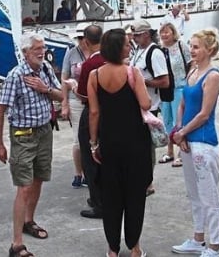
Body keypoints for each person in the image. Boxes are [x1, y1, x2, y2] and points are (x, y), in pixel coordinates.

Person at [0, 33, 68, 257]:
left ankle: (29, 221)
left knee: (38, 180)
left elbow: (60, 96)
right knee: (24, 187)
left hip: (44, 131)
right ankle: (17, 244)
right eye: (36, 48)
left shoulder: (45, 70)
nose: (41, 51)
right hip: (23, 135)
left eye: (43, 47)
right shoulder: (15, 76)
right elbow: (0, 109)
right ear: (25, 52)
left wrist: (43, 88)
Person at [88, 28, 152, 257]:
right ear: (118, 48)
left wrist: (93, 143)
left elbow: (94, 113)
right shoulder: (132, 72)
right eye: (126, 44)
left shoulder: (94, 75)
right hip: (135, 141)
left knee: (111, 196)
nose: (130, 46)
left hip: (109, 140)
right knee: (135, 195)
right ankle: (134, 246)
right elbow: (145, 104)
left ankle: (112, 249)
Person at [171, 29, 219, 257]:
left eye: (196, 47)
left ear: (209, 49)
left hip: (203, 140)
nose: (192, 50)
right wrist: (179, 130)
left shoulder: (212, 75)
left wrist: (182, 132)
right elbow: (182, 104)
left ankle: (215, 246)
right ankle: (198, 238)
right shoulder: (193, 70)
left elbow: (204, 114)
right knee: (194, 194)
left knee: (209, 195)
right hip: (188, 139)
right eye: (191, 46)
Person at [129, 19, 170, 195]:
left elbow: (164, 81)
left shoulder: (154, 53)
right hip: (137, 105)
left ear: (146, 34)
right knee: (138, 146)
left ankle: (148, 182)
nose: (135, 38)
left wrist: (141, 82)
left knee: (146, 147)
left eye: (137, 35)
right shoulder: (138, 50)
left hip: (149, 107)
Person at [75, 24, 107, 219]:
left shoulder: (90, 65)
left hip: (93, 111)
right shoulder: (113, 61)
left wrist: (71, 87)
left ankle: (98, 201)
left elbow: (83, 96)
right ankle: (104, 198)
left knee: (90, 156)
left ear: (86, 41)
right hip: (112, 113)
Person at [61, 24, 90, 190]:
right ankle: (79, 172)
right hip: (75, 99)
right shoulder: (71, 53)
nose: (81, 41)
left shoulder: (95, 52)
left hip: (91, 98)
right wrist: (64, 102)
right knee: (78, 138)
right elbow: (64, 77)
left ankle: (89, 171)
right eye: (78, 38)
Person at [158, 21, 192, 168]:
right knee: (167, 120)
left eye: (168, 31)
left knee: (179, 119)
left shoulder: (181, 45)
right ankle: (170, 151)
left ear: (173, 33)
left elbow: (191, 62)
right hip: (165, 89)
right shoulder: (159, 49)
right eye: (162, 32)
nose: (165, 34)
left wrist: (189, 79)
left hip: (180, 86)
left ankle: (181, 152)